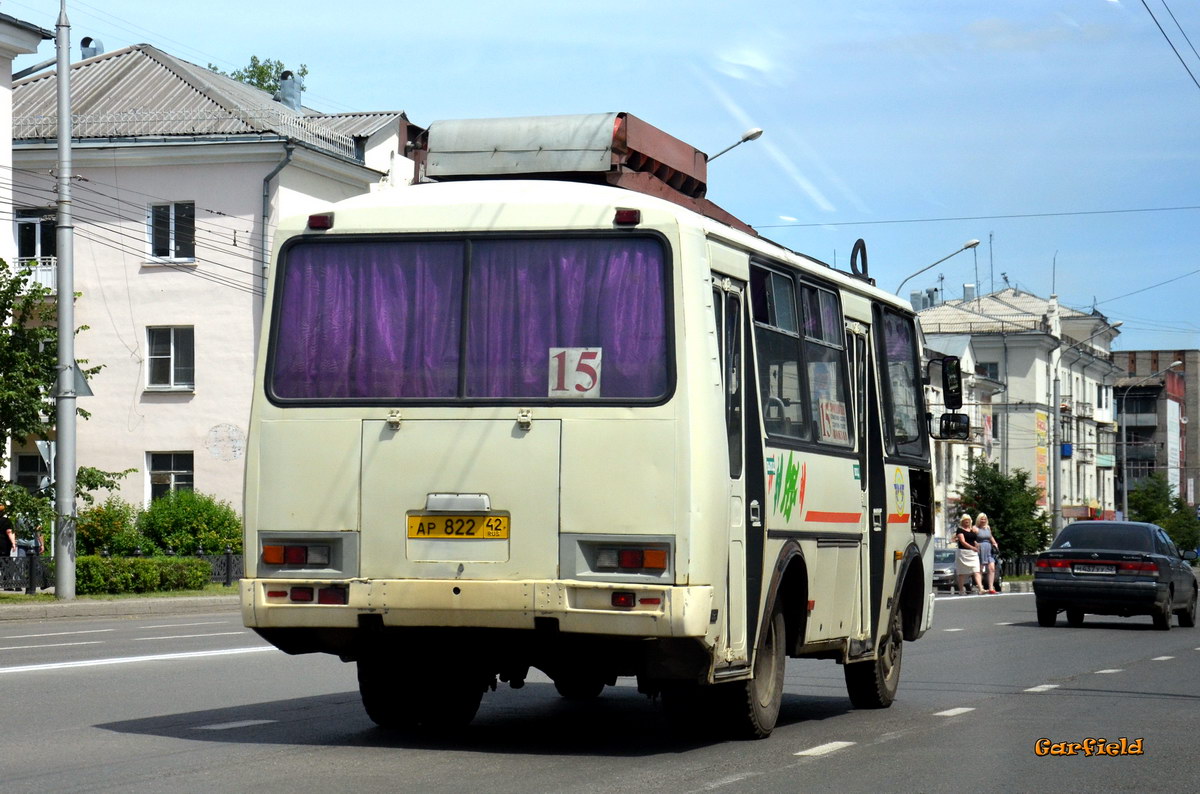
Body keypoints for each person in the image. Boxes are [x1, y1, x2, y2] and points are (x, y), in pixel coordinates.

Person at [954, 514, 984, 595]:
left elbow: (973, 540)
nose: (967, 521)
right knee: (961, 573)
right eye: (965, 520)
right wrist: (972, 548)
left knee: (976, 571)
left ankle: (981, 588)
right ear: (962, 521)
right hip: (963, 553)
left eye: (968, 520)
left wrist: (977, 544)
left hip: (973, 554)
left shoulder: (972, 530)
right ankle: (961, 590)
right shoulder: (960, 530)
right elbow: (963, 542)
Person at [975, 512, 999, 594]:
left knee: (992, 568)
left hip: (989, 548)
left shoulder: (987, 527)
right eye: (982, 519)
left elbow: (990, 536)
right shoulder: (975, 528)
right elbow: (972, 537)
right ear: (979, 519)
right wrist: (976, 544)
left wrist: (995, 543)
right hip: (981, 549)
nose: (983, 520)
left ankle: (991, 588)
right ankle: (980, 587)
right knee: (980, 569)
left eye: (985, 519)